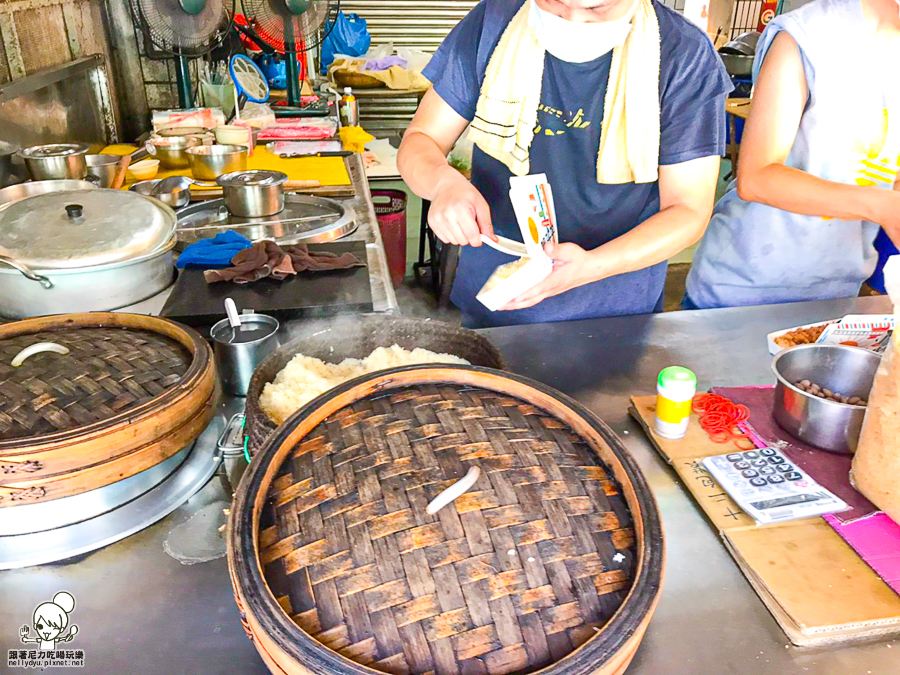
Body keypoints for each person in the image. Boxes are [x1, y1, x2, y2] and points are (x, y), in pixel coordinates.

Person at [398, 0, 733, 327]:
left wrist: (593, 266)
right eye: (553, 2)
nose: (573, 19)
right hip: (492, 298)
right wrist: (443, 183)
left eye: (597, 8)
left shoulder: (684, 54)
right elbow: (422, 138)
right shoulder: (494, 20)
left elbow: (689, 210)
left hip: (616, 314)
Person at [685, 0, 900, 309]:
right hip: (744, 291)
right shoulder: (809, 36)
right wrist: (883, 207)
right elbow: (757, 178)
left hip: (837, 292)